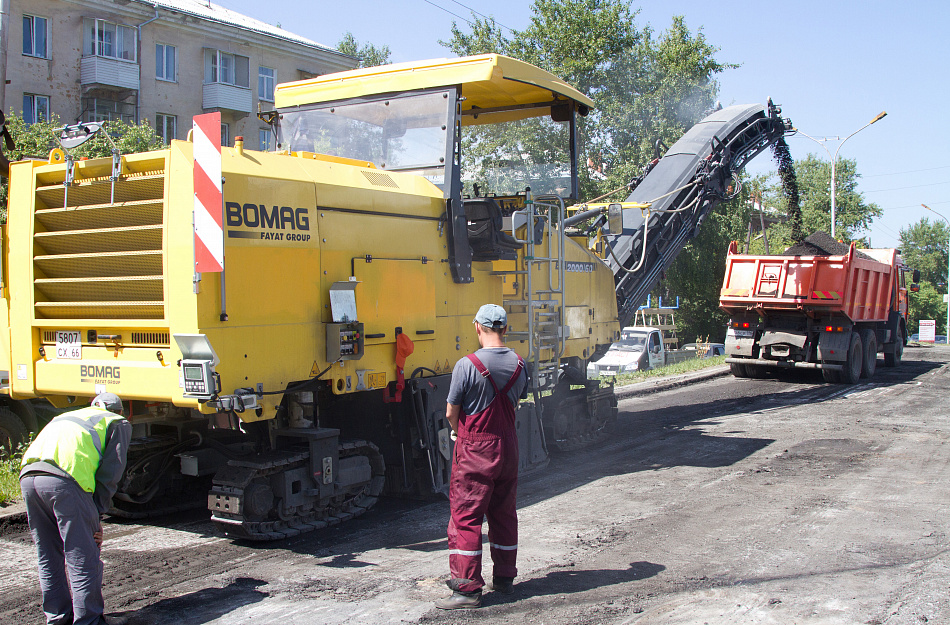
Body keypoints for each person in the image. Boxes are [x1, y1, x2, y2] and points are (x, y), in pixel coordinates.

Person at [437, 304, 528, 609]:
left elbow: (452, 412)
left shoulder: (467, 365)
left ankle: (466, 590)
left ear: (478, 327)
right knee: (503, 513)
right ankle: (504, 578)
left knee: (466, 518)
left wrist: (457, 432)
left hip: (476, 450)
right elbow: (513, 403)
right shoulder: (520, 365)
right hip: (508, 448)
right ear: (505, 328)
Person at [20, 392, 132, 625]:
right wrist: (97, 515)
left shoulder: (71, 416)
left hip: (29, 478)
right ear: (119, 411)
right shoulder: (116, 422)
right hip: (64, 482)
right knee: (82, 555)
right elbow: (112, 472)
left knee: (48, 555)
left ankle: (57, 618)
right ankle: (88, 621)